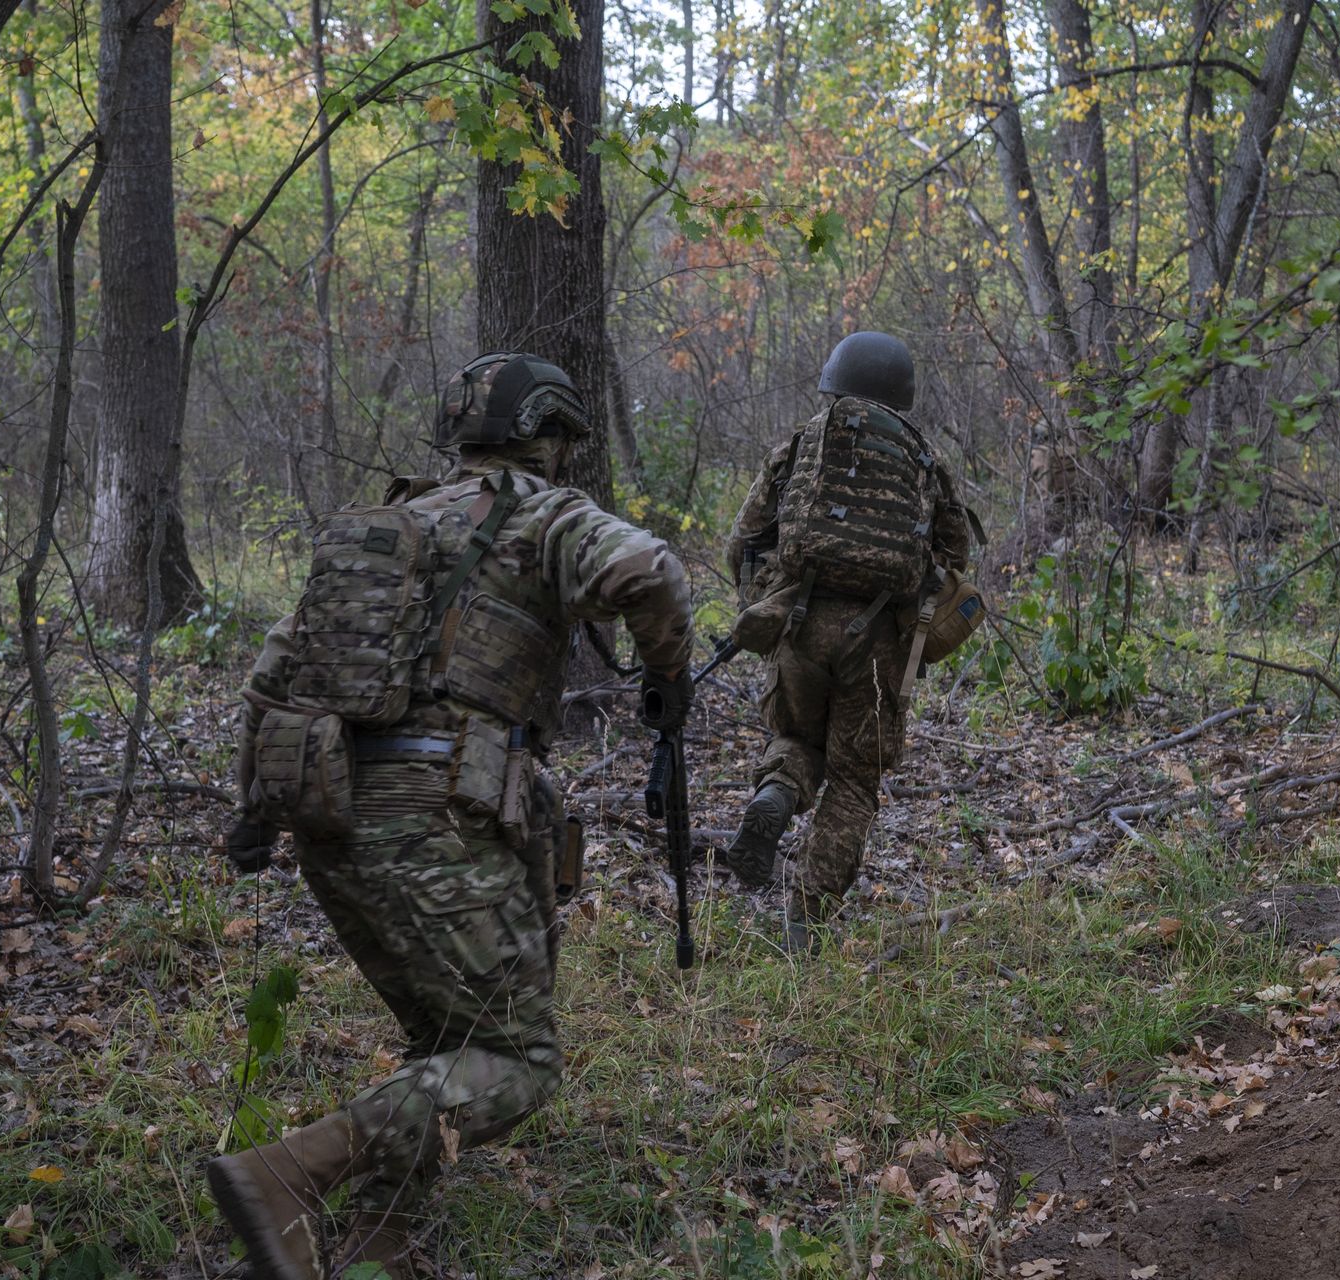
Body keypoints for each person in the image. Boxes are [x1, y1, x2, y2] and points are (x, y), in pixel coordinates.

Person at [208, 352, 695, 1279]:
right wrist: (667, 674)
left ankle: (381, 1244)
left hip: (329, 815)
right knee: (518, 1061)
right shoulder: (546, 514)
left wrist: (255, 818)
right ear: (548, 436)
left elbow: (272, 678)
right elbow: (652, 571)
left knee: (448, 1039)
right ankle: (288, 1176)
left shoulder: (384, 531)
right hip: (439, 820)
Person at [721, 332, 972, 951]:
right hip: (879, 642)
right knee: (855, 781)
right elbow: (955, 554)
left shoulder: (801, 445)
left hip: (800, 624)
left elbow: (743, 540)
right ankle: (804, 920)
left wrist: (765, 601)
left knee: (795, 737)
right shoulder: (924, 459)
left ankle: (777, 793)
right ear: (900, 392)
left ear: (835, 378)